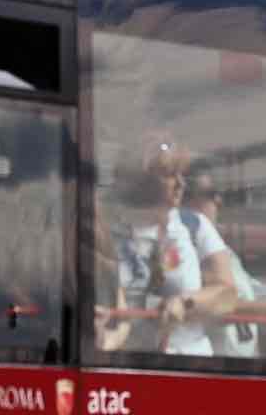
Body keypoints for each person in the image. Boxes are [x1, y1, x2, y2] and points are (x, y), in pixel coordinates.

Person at [95, 135, 235, 355]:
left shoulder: (195, 225)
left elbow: (227, 294)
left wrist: (186, 301)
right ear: (141, 181)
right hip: (123, 363)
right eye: (170, 176)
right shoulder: (104, 230)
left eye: (182, 175)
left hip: (188, 363)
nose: (181, 184)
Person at [181, 169, 266, 358]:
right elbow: (216, 301)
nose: (218, 201)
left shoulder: (222, 252)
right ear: (185, 200)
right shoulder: (181, 252)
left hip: (242, 366)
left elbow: (254, 292)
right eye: (210, 194)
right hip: (207, 366)